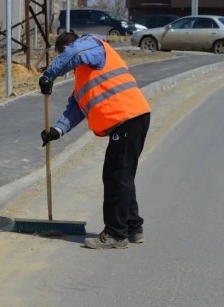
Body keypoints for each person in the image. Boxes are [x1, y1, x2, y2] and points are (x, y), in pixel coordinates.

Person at [39, 32, 151, 250]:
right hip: (129, 120)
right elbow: (76, 108)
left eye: (63, 55)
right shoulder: (84, 77)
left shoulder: (92, 45)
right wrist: (57, 131)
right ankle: (132, 227)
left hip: (127, 117)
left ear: (66, 48)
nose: (66, 61)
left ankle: (116, 235)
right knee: (122, 176)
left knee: (116, 177)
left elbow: (75, 52)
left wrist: (49, 74)